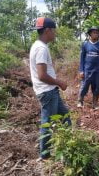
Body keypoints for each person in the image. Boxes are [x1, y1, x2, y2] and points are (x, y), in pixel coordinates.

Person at [29, 17, 71, 160]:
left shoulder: (38, 45)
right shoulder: (41, 48)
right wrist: (59, 82)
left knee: (65, 116)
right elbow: (42, 75)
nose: (55, 33)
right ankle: (45, 155)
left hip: (50, 91)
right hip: (47, 92)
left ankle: (69, 144)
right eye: (54, 30)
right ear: (47, 30)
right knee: (47, 123)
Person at [77, 27, 99, 110]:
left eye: (97, 33)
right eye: (93, 32)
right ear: (90, 34)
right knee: (84, 86)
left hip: (97, 71)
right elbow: (82, 58)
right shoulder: (85, 44)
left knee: (96, 88)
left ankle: (95, 103)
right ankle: (80, 101)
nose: (95, 34)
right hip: (87, 70)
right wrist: (81, 70)